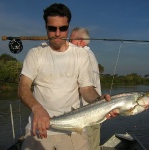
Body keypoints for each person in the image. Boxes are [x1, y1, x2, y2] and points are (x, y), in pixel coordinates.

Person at [18, 3, 118, 150]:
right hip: (39, 128)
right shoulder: (35, 53)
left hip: (74, 129)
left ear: (68, 27)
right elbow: (23, 87)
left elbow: (86, 89)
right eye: (52, 28)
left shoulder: (81, 55)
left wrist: (100, 101)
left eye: (62, 28)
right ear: (46, 28)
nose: (57, 33)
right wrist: (37, 109)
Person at [70, 27, 101, 150]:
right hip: (96, 111)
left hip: (87, 112)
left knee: (87, 144)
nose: (67, 41)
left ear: (80, 41)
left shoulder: (82, 55)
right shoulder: (90, 54)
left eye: (70, 39)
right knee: (94, 144)